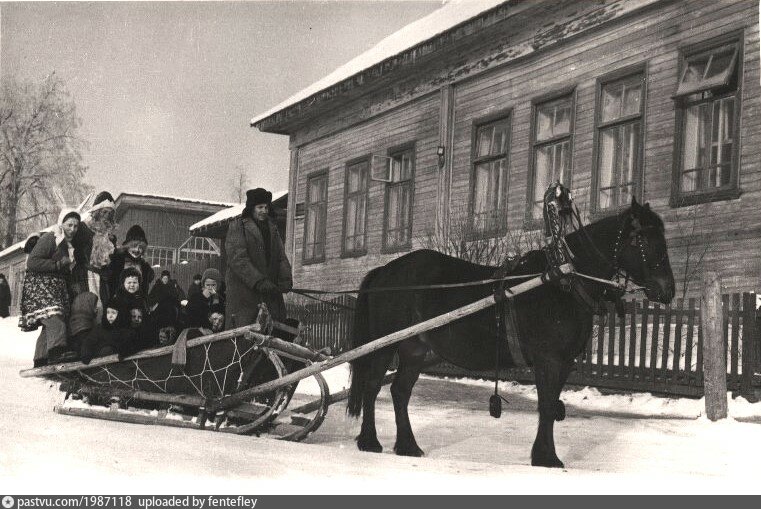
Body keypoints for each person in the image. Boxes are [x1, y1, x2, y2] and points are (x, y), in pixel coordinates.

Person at [225, 188, 292, 327]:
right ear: (252, 208)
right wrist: (258, 281)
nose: (264, 211)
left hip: (269, 294)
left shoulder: (272, 229)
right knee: (245, 333)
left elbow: (281, 257)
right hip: (245, 296)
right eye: (260, 207)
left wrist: (285, 279)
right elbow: (238, 259)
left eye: (266, 207)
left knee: (274, 331)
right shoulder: (238, 227)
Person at [25, 209, 81, 366]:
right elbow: (32, 262)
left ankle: (41, 358)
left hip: (55, 287)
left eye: (76, 226)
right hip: (42, 286)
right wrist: (57, 264)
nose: (73, 229)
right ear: (61, 224)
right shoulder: (51, 238)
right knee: (55, 319)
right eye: (69, 225)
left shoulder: (68, 244)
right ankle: (57, 352)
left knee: (50, 321)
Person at [71, 191, 118, 301]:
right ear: (97, 212)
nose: (107, 216)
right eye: (104, 212)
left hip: (102, 281)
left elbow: (111, 262)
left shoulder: (111, 238)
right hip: (83, 277)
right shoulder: (83, 228)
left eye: (110, 213)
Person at [105, 224, 154, 298]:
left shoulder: (145, 267)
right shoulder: (117, 261)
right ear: (127, 246)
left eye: (140, 247)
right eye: (134, 246)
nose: (137, 250)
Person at [148, 269, 182, 342]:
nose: (165, 280)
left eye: (166, 278)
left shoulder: (172, 286)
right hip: (159, 310)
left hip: (170, 310)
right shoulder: (157, 286)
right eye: (164, 278)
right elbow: (151, 297)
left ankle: (170, 338)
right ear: (161, 278)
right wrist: (157, 302)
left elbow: (176, 297)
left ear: (168, 279)